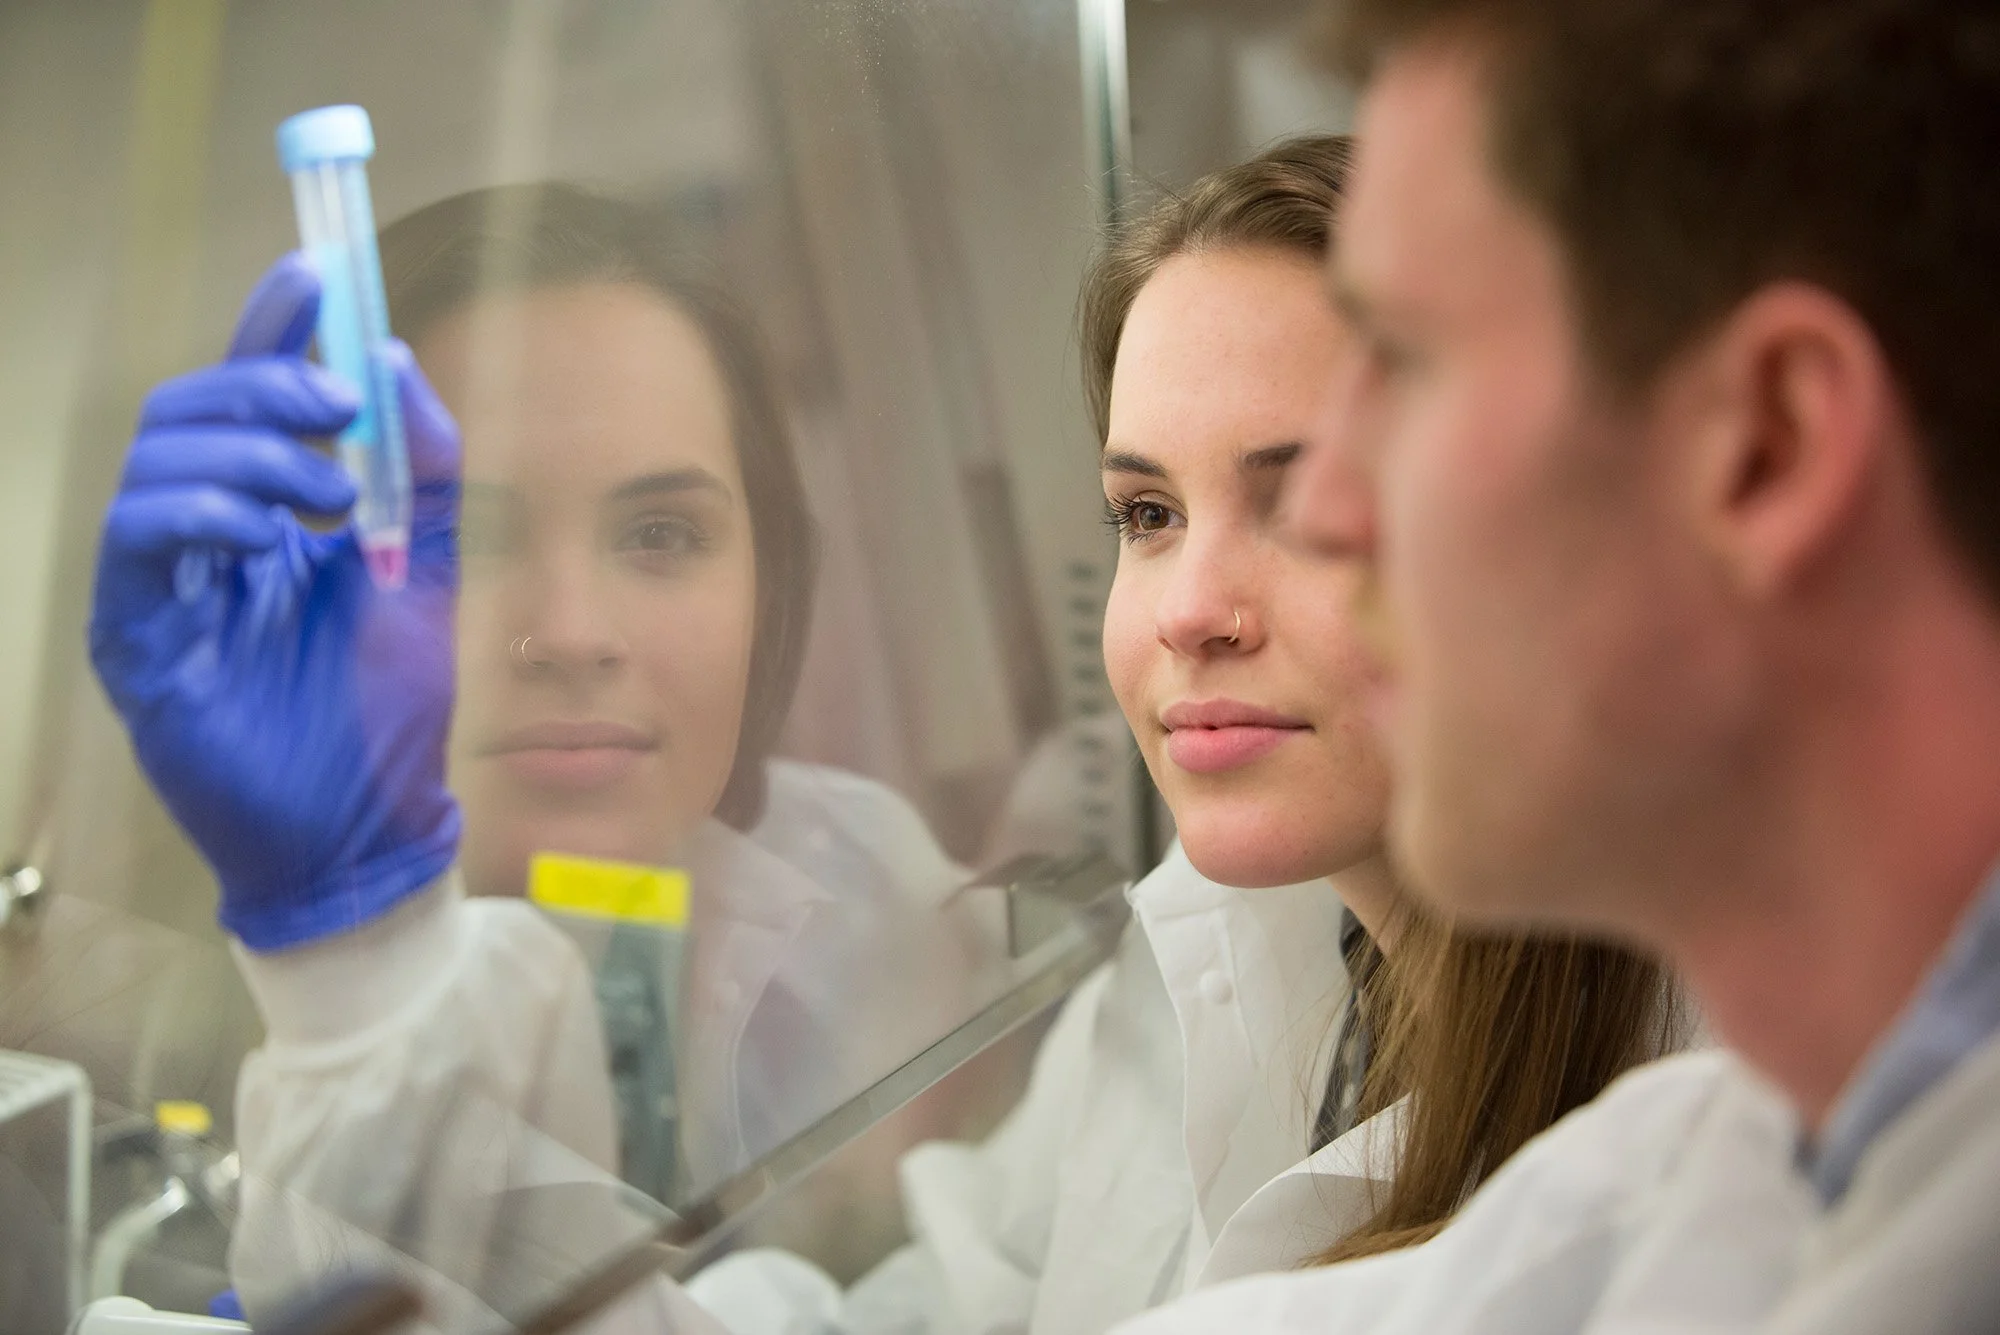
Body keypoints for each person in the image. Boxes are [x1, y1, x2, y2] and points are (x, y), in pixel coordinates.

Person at [87, 141, 1667, 1332]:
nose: (1188, 608)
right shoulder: (1212, 967)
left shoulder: (1673, 1175)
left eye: (1308, 503)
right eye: (1146, 512)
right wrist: (354, 955)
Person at [1099, 2, 2000, 1333]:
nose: (1352, 516)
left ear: (1769, 443)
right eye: (1144, 514)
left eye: (1408, 363)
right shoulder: (1738, 1147)